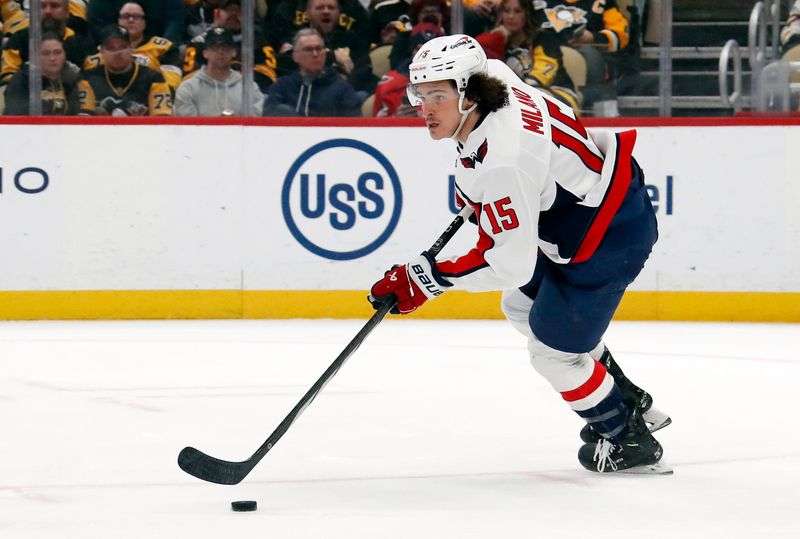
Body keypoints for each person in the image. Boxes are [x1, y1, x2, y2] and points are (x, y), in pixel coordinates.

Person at [367, 34, 672, 474]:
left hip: (606, 237)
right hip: (595, 211)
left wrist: (428, 278)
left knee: (551, 353)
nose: (424, 107)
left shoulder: (506, 159)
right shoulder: (495, 78)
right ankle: (626, 398)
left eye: (438, 95)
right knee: (522, 304)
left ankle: (626, 437)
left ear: (469, 94)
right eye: (420, 94)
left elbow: (510, 262)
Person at [476, 0, 580, 112]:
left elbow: (544, 71)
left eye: (517, 11)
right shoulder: (498, 42)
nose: (511, 16)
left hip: (558, 94)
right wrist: (496, 38)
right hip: (519, 98)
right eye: (506, 11)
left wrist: (519, 89)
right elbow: (479, 57)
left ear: (527, 14)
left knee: (533, 100)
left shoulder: (543, 37)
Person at [533, 0, 630, 115]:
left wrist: (593, 37)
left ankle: (602, 118)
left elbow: (621, 35)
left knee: (591, 58)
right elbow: (513, 17)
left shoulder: (602, 2)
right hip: (539, 57)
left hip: (587, 60)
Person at [83, 2, 183, 91]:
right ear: (118, 20)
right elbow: (85, 86)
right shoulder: (101, 52)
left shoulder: (164, 48)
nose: (131, 20)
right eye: (126, 16)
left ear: (145, 22)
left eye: (136, 16)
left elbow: (171, 86)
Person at [182, 0, 277, 93]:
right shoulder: (200, 43)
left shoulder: (258, 42)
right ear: (217, 14)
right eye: (228, 10)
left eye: (239, 10)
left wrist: (234, 76)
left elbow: (269, 75)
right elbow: (189, 77)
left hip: (247, 95)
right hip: (208, 95)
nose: (233, 14)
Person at [264, 28, 360, 116]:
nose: (315, 54)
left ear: (325, 54)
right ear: (295, 56)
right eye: (308, 49)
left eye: (319, 49)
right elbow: (267, 121)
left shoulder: (342, 88)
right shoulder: (282, 86)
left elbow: (353, 126)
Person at [82, 24, 172, 115]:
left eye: (123, 47)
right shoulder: (87, 79)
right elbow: (82, 119)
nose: (117, 53)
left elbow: (162, 118)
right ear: (101, 51)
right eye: (111, 48)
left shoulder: (154, 78)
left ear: (131, 48)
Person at [175, 27, 263, 116]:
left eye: (225, 48)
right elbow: (187, 126)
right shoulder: (189, 88)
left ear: (233, 52)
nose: (221, 52)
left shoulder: (249, 87)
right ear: (205, 53)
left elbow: (256, 122)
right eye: (215, 48)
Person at [1, 0, 92, 86]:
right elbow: (7, 78)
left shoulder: (82, 43)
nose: (48, 11)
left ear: (67, 12)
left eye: (54, 6)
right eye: (42, 6)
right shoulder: (18, 40)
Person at [3, 31, 90, 114]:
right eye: (45, 53)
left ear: (65, 54)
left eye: (58, 52)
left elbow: (83, 112)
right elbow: (18, 112)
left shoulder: (73, 77)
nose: (52, 58)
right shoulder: (21, 79)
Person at [371, 22, 442, 117]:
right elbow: (374, 128)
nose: (424, 57)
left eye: (431, 52)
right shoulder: (388, 84)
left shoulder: (456, 84)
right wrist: (396, 119)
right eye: (419, 50)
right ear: (413, 52)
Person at [87, 0, 185, 46]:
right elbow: (96, 25)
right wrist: (115, 45)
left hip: (157, 46)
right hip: (112, 47)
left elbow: (174, 21)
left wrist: (165, 47)